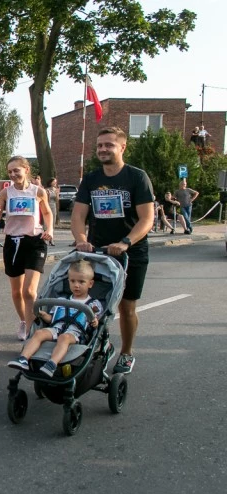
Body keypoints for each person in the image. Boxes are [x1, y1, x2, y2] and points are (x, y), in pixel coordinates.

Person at [72, 126, 155, 374]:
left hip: (131, 253)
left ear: (122, 147)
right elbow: (78, 214)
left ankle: (127, 352)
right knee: (91, 303)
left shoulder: (137, 177)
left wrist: (126, 242)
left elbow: (146, 219)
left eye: (109, 145)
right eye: (99, 145)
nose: (103, 149)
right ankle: (91, 347)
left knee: (126, 307)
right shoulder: (92, 179)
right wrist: (80, 239)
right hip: (97, 251)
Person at [0, 156, 54, 341]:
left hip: (34, 241)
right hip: (13, 242)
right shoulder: (5, 193)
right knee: (17, 292)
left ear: (26, 169)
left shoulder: (38, 191)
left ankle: (33, 331)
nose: (13, 174)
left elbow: (47, 213)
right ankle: (24, 321)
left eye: (16, 170)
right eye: (10, 172)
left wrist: (49, 230)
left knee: (29, 292)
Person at [7, 260, 103, 377]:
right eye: (72, 281)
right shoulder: (61, 301)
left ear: (90, 284)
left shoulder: (93, 304)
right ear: (68, 281)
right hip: (57, 328)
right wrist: (43, 315)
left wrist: (95, 322)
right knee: (39, 333)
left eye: (81, 282)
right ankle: (23, 359)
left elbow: (96, 322)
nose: (76, 285)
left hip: (76, 333)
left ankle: (52, 363)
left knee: (64, 338)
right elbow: (52, 319)